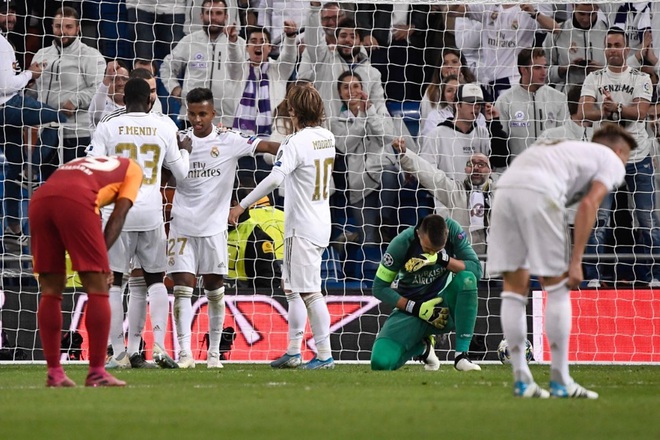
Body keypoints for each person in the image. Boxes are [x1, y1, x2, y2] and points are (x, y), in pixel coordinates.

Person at [487, 124, 637, 399]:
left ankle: (522, 379)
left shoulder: (568, 150)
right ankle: (560, 381)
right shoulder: (611, 160)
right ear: (618, 150)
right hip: (540, 192)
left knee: (513, 289)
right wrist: (577, 260)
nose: (624, 164)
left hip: (505, 189)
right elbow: (589, 205)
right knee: (557, 286)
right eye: (626, 157)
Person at [168, 87, 279, 369]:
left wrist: (296, 147)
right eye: (192, 114)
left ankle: (214, 355)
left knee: (215, 290)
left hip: (214, 229)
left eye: (202, 114)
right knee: (182, 288)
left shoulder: (229, 139)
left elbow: (266, 146)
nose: (197, 120)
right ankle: (184, 353)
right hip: (181, 225)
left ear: (213, 113)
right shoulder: (178, 140)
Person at [228, 84, 336, 369]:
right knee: (292, 288)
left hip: (301, 225)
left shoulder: (295, 142)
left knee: (310, 291)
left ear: (292, 111)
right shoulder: (327, 136)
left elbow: (275, 179)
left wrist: (241, 205)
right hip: (321, 220)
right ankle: (293, 351)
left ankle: (324, 355)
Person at [86, 78, 191, 369]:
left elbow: (92, 169)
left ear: (122, 99)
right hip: (150, 212)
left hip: (117, 212)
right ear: (149, 101)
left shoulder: (108, 125)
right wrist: (185, 149)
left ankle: (118, 353)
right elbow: (181, 174)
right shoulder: (165, 125)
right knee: (155, 279)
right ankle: (157, 345)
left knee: (115, 281)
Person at [29, 155, 143, 387]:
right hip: (76, 201)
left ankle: (54, 373)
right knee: (98, 285)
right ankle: (97, 373)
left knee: (50, 289)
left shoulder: (84, 163)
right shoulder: (135, 170)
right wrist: (102, 262)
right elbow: (118, 215)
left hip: (39, 200)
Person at [579, 27, 660, 285]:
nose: (613, 49)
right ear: (605, 49)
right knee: (599, 219)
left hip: (639, 156)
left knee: (647, 220)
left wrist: (616, 109)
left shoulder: (641, 77)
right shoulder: (594, 77)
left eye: (618, 45)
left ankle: (653, 276)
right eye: (609, 45)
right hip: (604, 159)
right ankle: (592, 277)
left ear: (627, 49)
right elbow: (583, 112)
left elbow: (641, 112)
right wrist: (605, 111)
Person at [370, 214, 482, 372]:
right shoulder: (401, 243)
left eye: (437, 250)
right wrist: (417, 309)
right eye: (428, 248)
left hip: (443, 309)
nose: (431, 252)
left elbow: (477, 270)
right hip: (411, 311)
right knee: (380, 363)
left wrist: (441, 259)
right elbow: (379, 288)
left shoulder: (453, 230)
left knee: (467, 279)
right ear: (418, 235)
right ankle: (424, 348)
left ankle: (461, 356)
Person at [0, 1, 66, 250]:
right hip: (8, 107)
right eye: (5, 12)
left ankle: (13, 228)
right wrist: (30, 75)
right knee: (57, 118)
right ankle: (34, 168)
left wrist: (17, 75)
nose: (11, 17)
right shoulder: (3, 44)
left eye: (13, 12)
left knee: (13, 164)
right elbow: (5, 86)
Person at [330, 70, 400, 246]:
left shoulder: (377, 110)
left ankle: (384, 222)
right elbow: (345, 146)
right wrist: (362, 116)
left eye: (355, 86)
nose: (351, 90)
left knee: (391, 173)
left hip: (382, 172)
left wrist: (370, 111)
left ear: (363, 89)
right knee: (368, 242)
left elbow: (387, 137)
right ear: (339, 93)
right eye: (345, 87)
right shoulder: (336, 121)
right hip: (359, 183)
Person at [29, 6, 105, 165]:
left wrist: (75, 101)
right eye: (58, 26)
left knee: (76, 186)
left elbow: (100, 89)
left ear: (78, 29)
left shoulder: (90, 55)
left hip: (78, 134)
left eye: (68, 27)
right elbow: (34, 92)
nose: (62, 31)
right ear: (52, 28)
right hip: (47, 134)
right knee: (49, 184)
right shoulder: (41, 54)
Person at [393, 138, 493, 256]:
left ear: (490, 170)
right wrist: (406, 154)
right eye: (471, 164)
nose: (475, 168)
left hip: (495, 260)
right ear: (466, 169)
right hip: (464, 259)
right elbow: (431, 175)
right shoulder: (455, 191)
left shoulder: (499, 193)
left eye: (481, 164)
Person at [160, 0, 245, 127]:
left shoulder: (239, 43)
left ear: (226, 16)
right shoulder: (190, 40)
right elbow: (167, 67)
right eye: (209, 13)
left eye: (218, 13)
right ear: (201, 16)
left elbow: (240, 73)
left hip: (225, 118)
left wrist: (232, 43)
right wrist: (176, 90)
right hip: (192, 117)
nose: (213, 18)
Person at [495, 47, 568, 163]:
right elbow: (501, 144)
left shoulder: (558, 98)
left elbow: (564, 138)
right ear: (523, 70)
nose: (544, 72)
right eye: (537, 68)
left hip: (550, 170)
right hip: (519, 171)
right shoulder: (505, 101)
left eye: (545, 67)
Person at [226, 23, 298, 136]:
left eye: (263, 41)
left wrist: (290, 37)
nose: (258, 45)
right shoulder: (239, 70)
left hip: (274, 135)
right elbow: (233, 57)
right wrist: (232, 41)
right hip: (241, 139)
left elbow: (289, 56)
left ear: (269, 47)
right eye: (254, 41)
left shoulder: (279, 70)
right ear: (246, 47)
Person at [543, 3, 607, 93]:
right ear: (573, 6)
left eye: (591, 14)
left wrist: (602, 70)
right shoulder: (557, 33)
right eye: (581, 14)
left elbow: (622, 71)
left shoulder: (608, 32)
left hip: (600, 97)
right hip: (566, 98)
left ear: (598, 8)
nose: (586, 19)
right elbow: (542, 73)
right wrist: (563, 69)